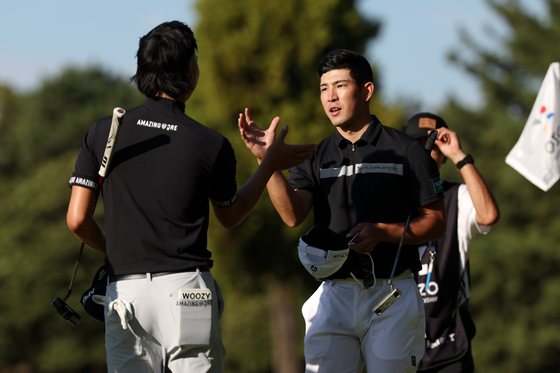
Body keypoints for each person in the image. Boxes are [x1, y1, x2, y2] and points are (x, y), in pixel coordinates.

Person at [66, 21, 316, 373]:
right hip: (189, 290)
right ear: (189, 70)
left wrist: (118, 249)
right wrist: (268, 162)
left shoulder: (103, 131)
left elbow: (77, 220)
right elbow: (231, 215)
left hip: (126, 293)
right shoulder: (211, 143)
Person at [238, 49, 447, 373]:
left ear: (366, 91)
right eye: (324, 88)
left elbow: (437, 222)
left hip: (393, 292)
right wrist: (267, 162)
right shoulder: (315, 155)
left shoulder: (407, 150)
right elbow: (292, 215)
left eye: (340, 85)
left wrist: (383, 232)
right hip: (333, 295)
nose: (330, 97)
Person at [403, 113, 499, 373]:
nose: (425, 154)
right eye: (417, 147)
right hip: (396, 343)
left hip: (449, 344)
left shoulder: (457, 196)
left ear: (443, 155)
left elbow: (488, 215)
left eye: (433, 147)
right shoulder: (391, 202)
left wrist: (460, 156)